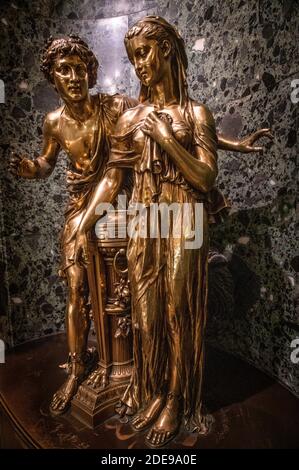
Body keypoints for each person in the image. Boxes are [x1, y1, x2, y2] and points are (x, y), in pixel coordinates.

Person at [73, 16, 272, 447]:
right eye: (132, 57)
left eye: (143, 52)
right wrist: (83, 224)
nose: (138, 64)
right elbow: (112, 177)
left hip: (186, 219)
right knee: (145, 316)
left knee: (179, 312)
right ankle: (154, 389)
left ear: (165, 49)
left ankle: (178, 400)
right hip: (144, 219)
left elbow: (204, 178)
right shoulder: (132, 116)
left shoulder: (195, 113)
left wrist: (166, 139)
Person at [9, 34, 138, 415]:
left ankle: (123, 363)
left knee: (120, 285)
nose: (74, 76)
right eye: (64, 70)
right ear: (53, 79)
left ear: (91, 73)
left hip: (118, 204)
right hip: (79, 205)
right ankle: (78, 365)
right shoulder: (54, 123)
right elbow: (48, 163)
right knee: (77, 286)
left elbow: (145, 125)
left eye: (80, 68)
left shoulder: (111, 108)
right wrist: (32, 168)